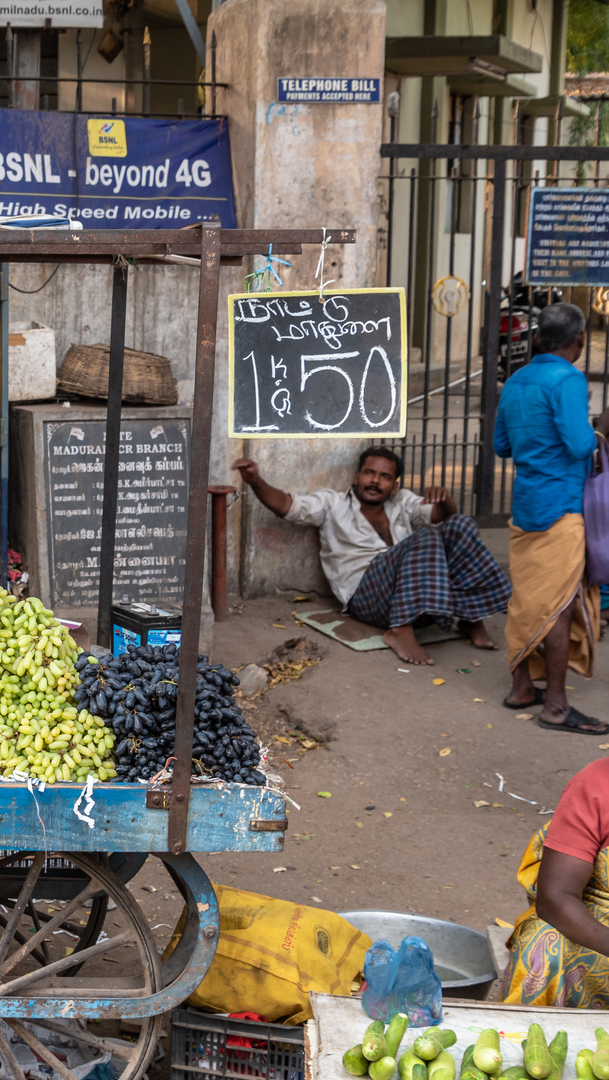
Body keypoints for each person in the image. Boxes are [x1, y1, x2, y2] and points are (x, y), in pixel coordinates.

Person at [233, 448, 510, 666]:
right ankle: (400, 630)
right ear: (356, 477)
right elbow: (286, 506)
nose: (375, 481)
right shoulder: (333, 504)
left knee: (460, 524)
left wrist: (445, 499)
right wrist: (256, 481)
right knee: (425, 538)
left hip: (413, 597)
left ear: (394, 485)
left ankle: (472, 617)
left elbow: (442, 517)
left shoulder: (402, 502)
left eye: (384, 477)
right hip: (366, 598)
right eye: (369, 473)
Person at [494, 302, 607, 734]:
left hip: (525, 508)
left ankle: (522, 687)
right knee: (557, 607)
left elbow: (502, 446)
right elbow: (580, 446)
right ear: (578, 341)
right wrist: (595, 427)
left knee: (526, 602)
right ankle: (556, 706)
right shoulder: (569, 380)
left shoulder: (517, 380)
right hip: (562, 509)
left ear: (539, 338)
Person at [502, 757, 609, 1007]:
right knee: (541, 946)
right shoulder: (599, 783)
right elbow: (556, 896)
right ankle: (529, 1037)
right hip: (599, 927)